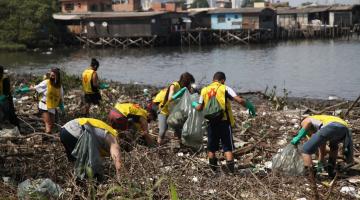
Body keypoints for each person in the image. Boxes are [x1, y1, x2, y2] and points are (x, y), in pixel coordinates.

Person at [195, 71, 256, 173]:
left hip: (211, 122)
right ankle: (231, 173)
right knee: (227, 147)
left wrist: (194, 104)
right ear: (222, 80)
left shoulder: (204, 90)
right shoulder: (224, 88)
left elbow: (199, 107)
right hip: (224, 122)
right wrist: (249, 105)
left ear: (213, 80)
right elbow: (239, 100)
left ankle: (213, 171)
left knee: (211, 147)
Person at [153, 72, 195, 145]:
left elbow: (189, 99)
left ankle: (182, 143)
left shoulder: (185, 88)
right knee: (163, 130)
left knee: (178, 126)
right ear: (186, 82)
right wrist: (180, 93)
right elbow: (170, 98)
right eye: (189, 83)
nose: (190, 85)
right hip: (163, 110)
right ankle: (158, 144)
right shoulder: (174, 85)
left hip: (173, 111)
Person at [31, 68, 64, 135]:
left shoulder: (59, 86)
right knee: (48, 124)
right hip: (44, 105)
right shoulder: (46, 82)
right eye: (51, 75)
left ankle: (46, 136)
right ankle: (46, 138)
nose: (52, 77)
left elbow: (60, 99)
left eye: (53, 76)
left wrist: (62, 109)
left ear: (57, 76)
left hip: (52, 106)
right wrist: (23, 90)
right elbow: (36, 88)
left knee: (51, 124)